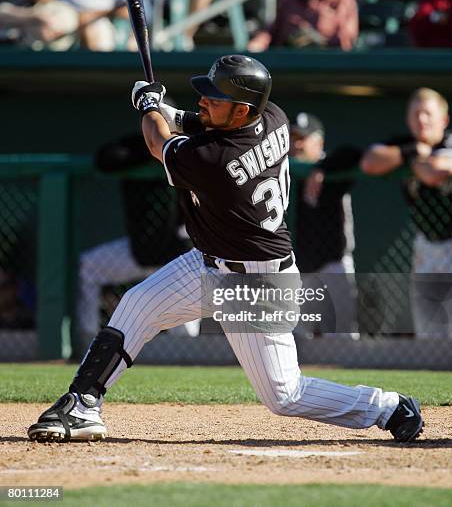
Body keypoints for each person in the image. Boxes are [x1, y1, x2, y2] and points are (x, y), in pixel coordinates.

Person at [28, 54, 423, 444]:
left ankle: (386, 407)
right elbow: (198, 120)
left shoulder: (215, 161)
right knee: (137, 305)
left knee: (285, 395)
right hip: (208, 261)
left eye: (215, 97)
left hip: (256, 285)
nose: (203, 100)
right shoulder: (274, 117)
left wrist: (150, 106)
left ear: (241, 110)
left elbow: (156, 140)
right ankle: (82, 404)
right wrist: (166, 106)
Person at [77, 133, 198, 352]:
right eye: (152, 120)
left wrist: (163, 150)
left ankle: (186, 356)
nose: (157, 126)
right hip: (137, 249)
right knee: (87, 266)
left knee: (185, 331)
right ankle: (89, 341)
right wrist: (150, 150)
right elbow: (105, 160)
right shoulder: (135, 144)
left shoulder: (186, 145)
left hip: (177, 256)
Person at [360, 87, 452, 337]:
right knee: (429, 329)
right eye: (415, 114)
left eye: (427, 114)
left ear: (443, 119)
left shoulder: (449, 140)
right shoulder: (407, 145)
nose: (421, 120)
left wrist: (414, 161)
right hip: (427, 244)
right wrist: (410, 153)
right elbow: (370, 161)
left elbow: (434, 174)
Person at [290, 112, 360, 335]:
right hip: (301, 266)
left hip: (335, 262)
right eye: (293, 138)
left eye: (303, 138)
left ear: (319, 142)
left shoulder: (333, 166)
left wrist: (322, 169)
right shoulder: (287, 169)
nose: (297, 144)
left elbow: (355, 154)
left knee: (342, 334)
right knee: (297, 335)